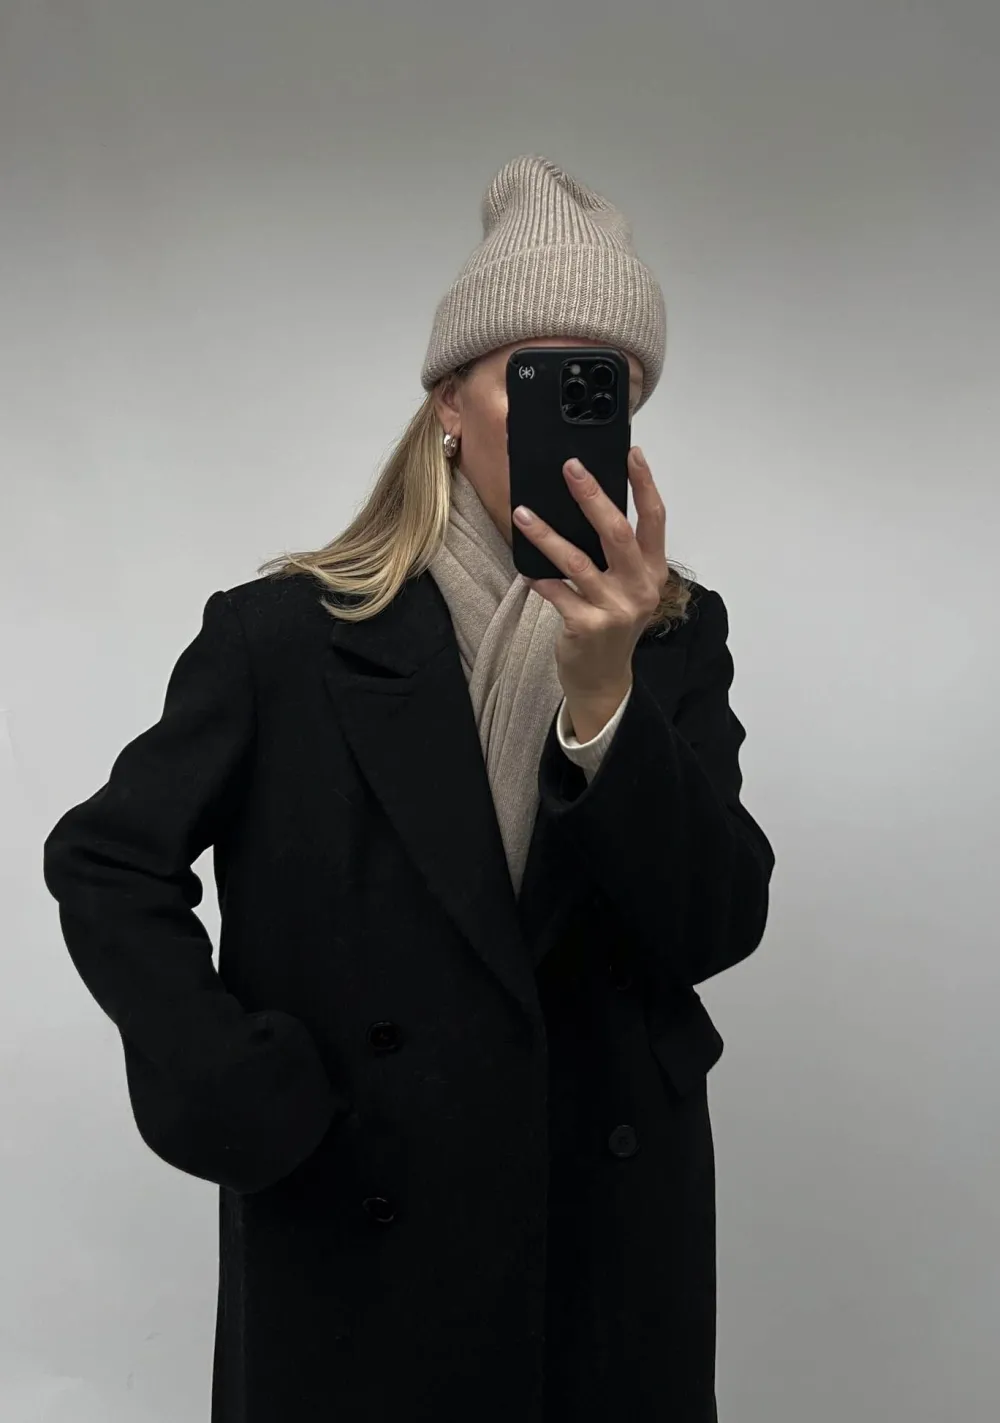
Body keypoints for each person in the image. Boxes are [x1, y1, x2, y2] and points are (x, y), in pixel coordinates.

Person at [43, 154, 775, 1423]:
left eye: (606, 388)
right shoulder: (284, 637)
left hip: (603, 1220)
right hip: (357, 1202)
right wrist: (232, 1083)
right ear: (448, 400)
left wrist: (603, 698)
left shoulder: (672, 637)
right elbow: (108, 861)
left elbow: (713, 924)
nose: (575, 417)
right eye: (539, 379)